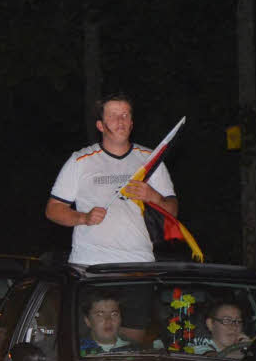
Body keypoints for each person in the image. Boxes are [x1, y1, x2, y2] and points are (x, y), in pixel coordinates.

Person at [45, 93, 178, 265]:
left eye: (125, 115)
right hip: (89, 264)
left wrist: (153, 196)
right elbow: (53, 209)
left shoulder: (151, 160)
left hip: (139, 264)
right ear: (100, 125)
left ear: (131, 123)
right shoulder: (80, 160)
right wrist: (83, 218)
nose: (120, 121)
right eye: (113, 116)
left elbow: (172, 211)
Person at [79, 291, 132, 356]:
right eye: (100, 314)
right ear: (88, 321)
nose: (108, 320)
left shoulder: (135, 350)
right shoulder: (76, 351)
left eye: (114, 314)